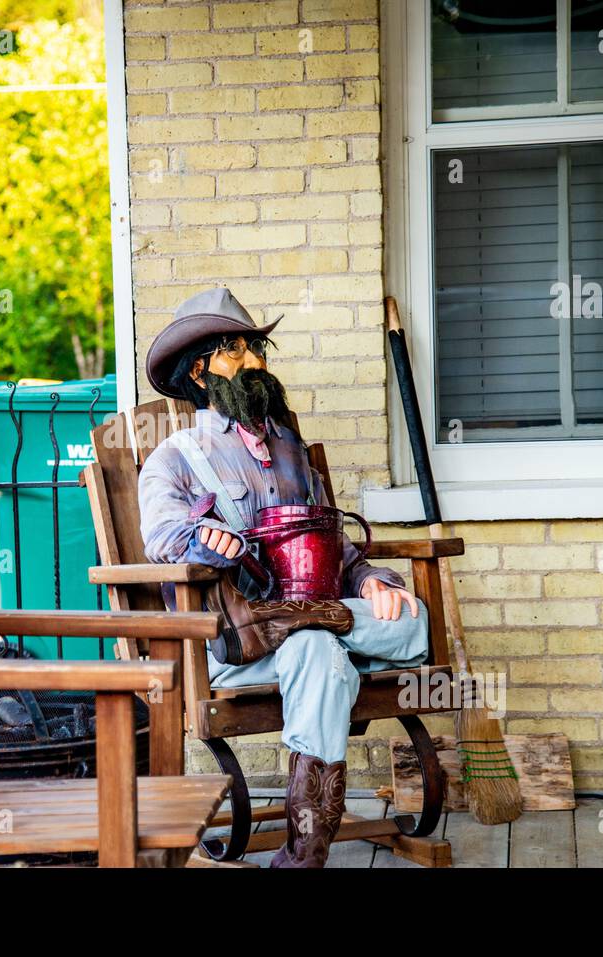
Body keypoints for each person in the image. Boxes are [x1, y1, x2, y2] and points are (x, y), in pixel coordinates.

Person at [138, 286, 429, 867]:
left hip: (302, 637)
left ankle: (316, 620)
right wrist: (209, 541)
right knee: (326, 655)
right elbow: (163, 542)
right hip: (234, 639)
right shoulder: (175, 457)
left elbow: (337, 551)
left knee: (409, 623)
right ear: (200, 372)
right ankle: (304, 858)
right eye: (234, 350)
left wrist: (370, 579)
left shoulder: (293, 452)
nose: (254, 362)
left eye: (256, 348)